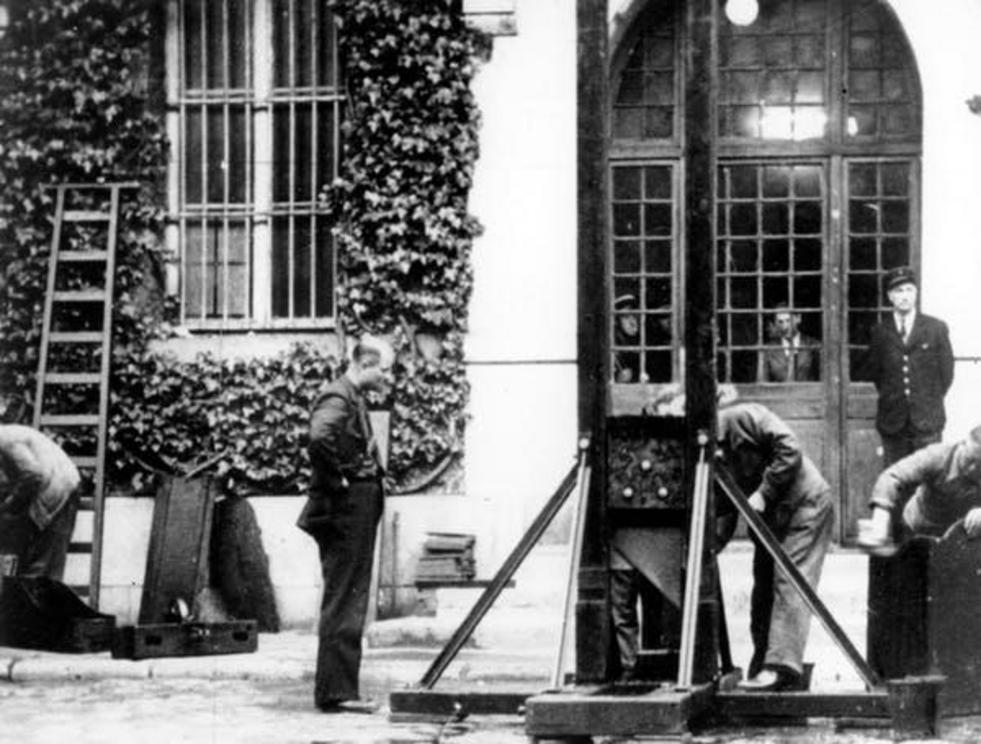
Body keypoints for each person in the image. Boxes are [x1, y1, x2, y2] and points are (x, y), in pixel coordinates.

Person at [296, 336, 394, 713]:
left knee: (348, 597)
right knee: (346, 599)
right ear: (365, 364)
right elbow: (319, 438)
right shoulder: (338, 397)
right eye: (383, 370)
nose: (387, 378)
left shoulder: (350, 396)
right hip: (346, 511)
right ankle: (338, 692)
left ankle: (339, 689)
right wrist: (338, 481)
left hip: (355, 508)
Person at [716, 400, 834, 691]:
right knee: (764, 588)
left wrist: (764, 492)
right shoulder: (709, 452)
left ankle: (780, 666)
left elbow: (790, 449)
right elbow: (726, 506)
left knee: (789, 581)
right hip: (769, 521)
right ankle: (764, 664)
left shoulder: (747, 417)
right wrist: (710, 547)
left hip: (804, 506)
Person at [859, 266, 954, 468]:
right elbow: (876, 374)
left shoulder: (935, 328)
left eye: (909, 290)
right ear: (890, 296)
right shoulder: (880, 332)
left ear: (916, 293)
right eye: (899, 291)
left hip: (928, 419)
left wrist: (926, 398)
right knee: (896, 479)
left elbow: (946, 374)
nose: (905, 296)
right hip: (893, 421)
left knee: (928, 478)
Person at [858, 424, 981, 552]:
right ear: (962, 445)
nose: (972, 468)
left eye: (980, 464)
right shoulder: (937, 455)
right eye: (969, 460)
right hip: (917, 529)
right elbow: (892, 476)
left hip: (960, 537)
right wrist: (880, 520)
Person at [0, 424, 80, 581]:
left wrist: (8, 505)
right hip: (44, 489)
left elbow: (33, 475)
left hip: (59, 487)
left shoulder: (4, 440)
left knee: (44, 569)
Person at [763, 305, 819, 382]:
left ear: (798, 318)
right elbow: (763, 384)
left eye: (788, 320)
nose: (784, 327)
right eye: (780, 322)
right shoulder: (768, 350)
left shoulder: (814, 345)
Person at [613, 294, 645, 383]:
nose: (633, 322)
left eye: (635, 315)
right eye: (626, 317)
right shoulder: (615, 345)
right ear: (617, 321)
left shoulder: (647, 339)